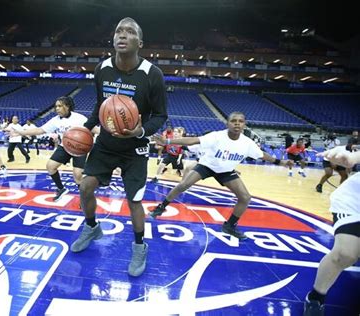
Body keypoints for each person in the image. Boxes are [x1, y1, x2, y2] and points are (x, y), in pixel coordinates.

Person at [69, 17, 168, 277]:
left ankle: (139, 246)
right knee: (85, 186)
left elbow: (160, 115)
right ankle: (91, 227)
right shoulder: (102, 68)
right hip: (106, 144)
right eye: (118, 31)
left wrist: (142, 130)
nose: (122, 35)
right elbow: (100, 107)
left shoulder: (152, 74)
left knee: (134, 201)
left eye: (129, 32)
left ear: (140, 42)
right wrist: (85, 127)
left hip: (135, 148)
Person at [149, 112, 293, 239]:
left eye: (240, 121)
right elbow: (193, 140)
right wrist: (168, 141)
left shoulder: (247, 143)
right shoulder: (217, 136)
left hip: (225, 171)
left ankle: (229, 225)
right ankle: (161, 207)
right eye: (233, 121)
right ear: (227, 123)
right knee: (184, 184)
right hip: (207, 166)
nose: (237, 123)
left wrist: (280, 162)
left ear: (244, 124)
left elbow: (262, 155)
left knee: (245, 197)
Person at [303, 147, 360, 316]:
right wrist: (351, 158)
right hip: (355, 202)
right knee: (345, 254)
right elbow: (355, 156)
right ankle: (316, 297)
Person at [8, 96, 94, 201]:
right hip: (65, 146)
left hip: (79, 148)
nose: (56, 108)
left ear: (67, 106)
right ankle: (61, 189)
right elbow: (40, 130)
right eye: (56, 106)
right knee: (50, 166)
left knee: (77, 175)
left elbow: (94, 129)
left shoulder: (80, 118)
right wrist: (21, 133)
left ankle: (84, 198)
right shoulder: (55, 120)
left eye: (59, 106)